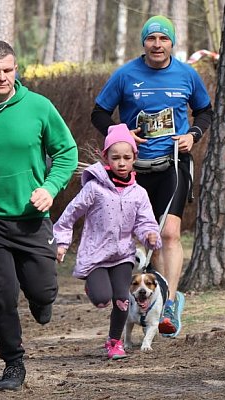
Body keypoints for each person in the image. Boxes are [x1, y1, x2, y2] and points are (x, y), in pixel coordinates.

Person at [91, 15, 213, 338]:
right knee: (149, 239)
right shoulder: (125, 75)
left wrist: (194, 134)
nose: (157, 45)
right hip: (135, 169)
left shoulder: (187, 74)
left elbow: (205, 111)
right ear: (143, 43)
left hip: (173, 163)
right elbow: (98, 112)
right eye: (151, 39)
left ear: (172, 43)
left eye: (163, 39)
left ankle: (171, 305)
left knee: (170, 232)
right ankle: (158, 299)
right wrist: (119, 132)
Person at [0, 39, 78, 391]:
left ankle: (40, 298)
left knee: (43, 289)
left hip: (31, 216)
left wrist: (50, 188)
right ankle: (13, 364)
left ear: (16, 70)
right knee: (1, 295)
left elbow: (66, 152)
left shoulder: (38, 106)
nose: (2, 77)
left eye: (7, 70)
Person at [52, 124, 161, 360]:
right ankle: (94, 286)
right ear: (106, 158)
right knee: (103, 299)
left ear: (134, 158)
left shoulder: (138, 193)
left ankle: (114, 342)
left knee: (122, 299)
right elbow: (69, 215)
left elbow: (145, 222)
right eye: (116, 158)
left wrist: (150, 235)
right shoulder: (94, 188)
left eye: (127, 157)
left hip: (123, 255)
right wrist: (61, 242)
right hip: (96, 255)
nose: (121, 163)